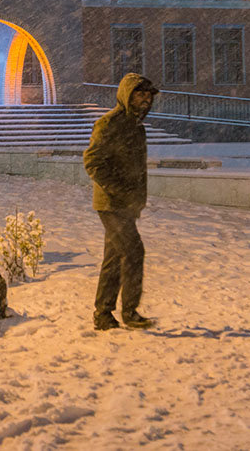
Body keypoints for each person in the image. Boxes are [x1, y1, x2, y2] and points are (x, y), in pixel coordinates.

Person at [83, 73, 158, 331]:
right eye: (140, 94)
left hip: (127, 205)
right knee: (134, 251)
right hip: (111, 204)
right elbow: (93, 161)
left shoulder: (136, 127)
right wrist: (118, 190)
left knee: (114, 258)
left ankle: (103, 314)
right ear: (127, 95)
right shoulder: (109, 123)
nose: (146, 99)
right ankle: (129, 312)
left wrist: (135, 199)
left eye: (149, 95)